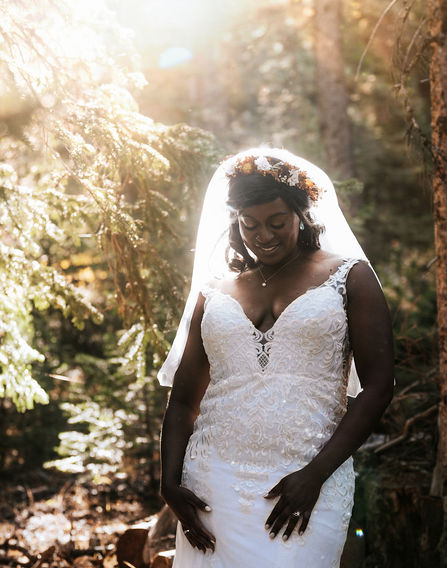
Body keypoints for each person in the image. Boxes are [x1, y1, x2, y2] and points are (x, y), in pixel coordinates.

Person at [157, 147, 394, 567]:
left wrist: (317, 474)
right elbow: (182, 400)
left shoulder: (349, 277)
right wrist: (169, 481)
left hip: (307, 480)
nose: (262, 235)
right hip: (213, 481)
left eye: (276, 222)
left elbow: (378, 387)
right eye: (249, 224)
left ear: (302, 214)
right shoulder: (215, 291)